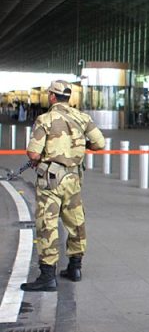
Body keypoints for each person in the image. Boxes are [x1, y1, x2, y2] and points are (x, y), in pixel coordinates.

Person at [21, 80, 106, 292]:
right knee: (75, 220)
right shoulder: (82, 117)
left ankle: (47, 276)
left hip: (50, 179)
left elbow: (33, 153)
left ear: (52, 96)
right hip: (74, 178)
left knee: (47, 223)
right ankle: (75, 268)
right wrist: (80, 145)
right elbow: (99, 144)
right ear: (68, 97)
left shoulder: (45, 119)